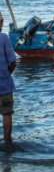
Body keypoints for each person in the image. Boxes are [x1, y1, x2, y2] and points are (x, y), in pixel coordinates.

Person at [0, 11, 17, 145]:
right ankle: (7, 141)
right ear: (1, 23)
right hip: (4, 84)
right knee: (7, 113)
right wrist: (8, 73)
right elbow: (13, 61)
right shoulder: (4, 38)